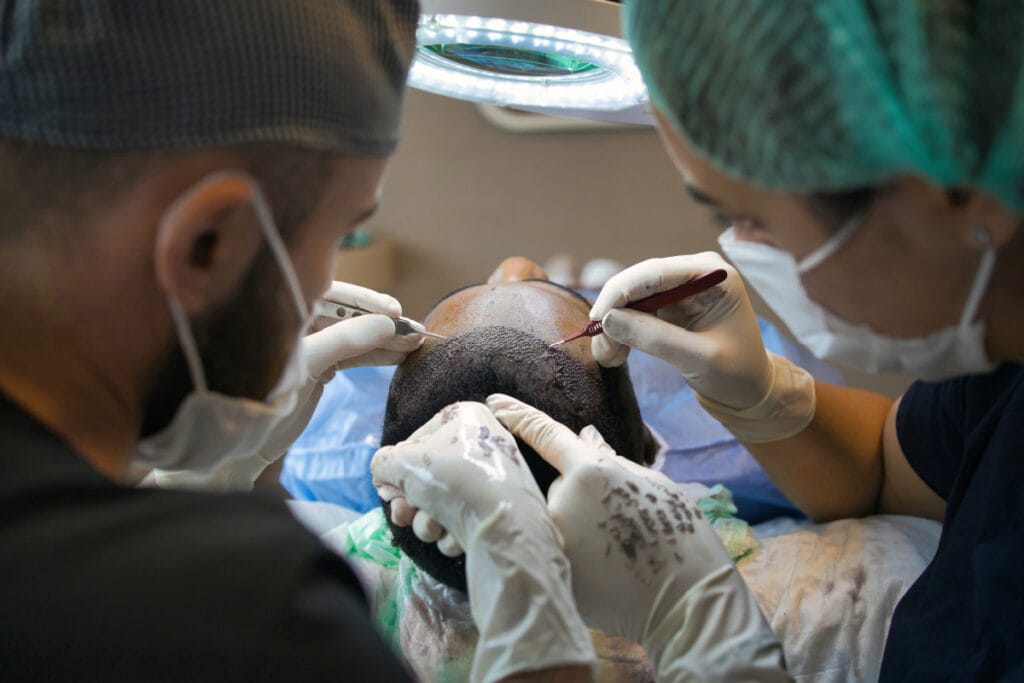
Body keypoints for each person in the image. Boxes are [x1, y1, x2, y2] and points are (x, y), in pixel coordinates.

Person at [0, 3, 599, 681]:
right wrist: (531, 596)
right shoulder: (251, 617)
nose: (513, 271)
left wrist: (229, 483)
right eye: (340, 232)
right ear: (209, 244)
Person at [565, 1, 1021, 680]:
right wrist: (761, 395)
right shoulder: (1001, 375)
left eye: (746, 215)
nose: (743, 248)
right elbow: (885, 469)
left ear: (956, 198)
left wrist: (704, 638)